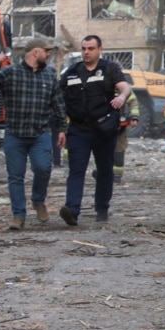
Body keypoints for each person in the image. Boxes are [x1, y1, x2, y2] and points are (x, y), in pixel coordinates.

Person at [0, 38, 66, 231]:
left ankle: (38, 200)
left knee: (43, 168)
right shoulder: (11, 73)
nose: (49, 54)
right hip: (15, 134)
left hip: (40, 133)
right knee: (15, 176)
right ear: (35, 53)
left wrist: (61, 129)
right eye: (46, 51)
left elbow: (58, 104)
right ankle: (18, 215)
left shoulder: (49, 76)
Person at [58, 35, 130, 226]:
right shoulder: (72, 72)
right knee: (76, 170)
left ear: (100, 50)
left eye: (90, 48)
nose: (86, 52)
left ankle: (102, 208)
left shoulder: (109, 69)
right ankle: (72, 210)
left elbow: (124, 87)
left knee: (105, 170)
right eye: (83, 49)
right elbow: (58, 96)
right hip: (79, 129)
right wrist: (60, 127)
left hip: (103, 129)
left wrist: (121, 97)